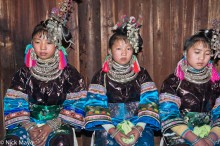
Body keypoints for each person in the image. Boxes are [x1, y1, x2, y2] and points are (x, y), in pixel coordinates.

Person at [3, 1, 86, 146]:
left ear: (58, 44)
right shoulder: (23, 73)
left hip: (58, 124)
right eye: (37, 42)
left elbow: (77, 103)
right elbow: (14, 102)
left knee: (60, 142)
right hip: (28, 123)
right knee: (11, 142)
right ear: (31, 43)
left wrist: (50, 126)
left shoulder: (69, 73)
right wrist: (30, 127)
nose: (42, 47)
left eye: (48, 43)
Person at [84, 15, 160, 146]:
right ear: (110, 51)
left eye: (128, 49)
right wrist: (112, 131)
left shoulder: (142, 74)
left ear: (134, 50)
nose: (124, 53)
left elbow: (150, 101)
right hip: (109, 125)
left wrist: (139, 128)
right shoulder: (101, 76)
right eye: (119, 49)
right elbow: (95, 104)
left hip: (138, 123)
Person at [159, 27, 220, 146]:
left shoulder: (216, 82)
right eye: (197, 52)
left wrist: (210, 139)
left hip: (212, 132)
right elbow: (168, 114)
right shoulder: (173, 82)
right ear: (185, 52)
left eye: (207, 54)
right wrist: (196, 140)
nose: (202, 58)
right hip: (180, 132)